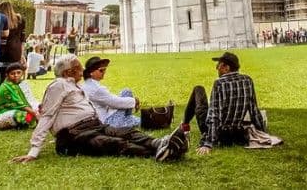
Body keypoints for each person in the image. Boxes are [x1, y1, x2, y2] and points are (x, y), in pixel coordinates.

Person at [10, 55, 187, 163]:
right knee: (113, 144)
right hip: (74, 134)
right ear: (67, 73)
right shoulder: (59, 85)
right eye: (78, 68)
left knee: (126, 132)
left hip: (93, 125)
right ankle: (161, 151)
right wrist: (33, 151)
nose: (81, 71)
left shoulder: (75, 86)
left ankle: (159, 144)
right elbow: (47, 116)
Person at [182, 52, 267, 155]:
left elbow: (214, 115)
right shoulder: (248, 80)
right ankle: (185, 124)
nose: (216, 67)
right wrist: (262, 133)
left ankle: (185, 124)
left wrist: (208, 143)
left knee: (198, 89)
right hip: (237, 134)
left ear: (227, 67)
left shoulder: (219, 83)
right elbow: (254, 110)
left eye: (219, 65)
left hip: (220, 135)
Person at [80, 56, 140, 128]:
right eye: (101, 70)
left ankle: (128, 118)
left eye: (104, 70)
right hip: (109, 122)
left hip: (104, 117)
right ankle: (128, 119)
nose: (104, 72)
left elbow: (109, 98)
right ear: (91, 73)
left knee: (126, 92)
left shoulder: (88, 84)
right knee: (144, 120)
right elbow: (114, 102)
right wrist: (134, 101)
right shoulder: (95, 88)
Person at [0, 63, 39, 130]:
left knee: (38, 109)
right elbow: (20, 104)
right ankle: (19, 125)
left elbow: (30, 99)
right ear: (7, 75)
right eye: (12, 73)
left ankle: (19, 125)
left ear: (23, 73)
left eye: (18, 73)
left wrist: (38, 110)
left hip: (14, 110)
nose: (16, 75)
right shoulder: (6, 87)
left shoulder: (23, 84)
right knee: (21, 115)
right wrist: (35, 114)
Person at [0, 1, 26, 83]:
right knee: (16, 76)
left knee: (3, 76)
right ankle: (17, 93)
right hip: (16, 51)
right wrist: (22, 54)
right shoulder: (20, 20)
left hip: (2, 51)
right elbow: (22, 39)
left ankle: (4, 92)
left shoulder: (0, 20)